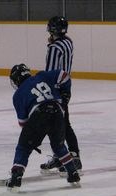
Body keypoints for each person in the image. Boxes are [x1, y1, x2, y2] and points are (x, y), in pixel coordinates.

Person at [6, 64, 80, 192]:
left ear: (16, 79)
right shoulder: (43, 75)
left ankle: (16, 177)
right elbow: (64, 75)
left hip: (38, 114)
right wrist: (65, 94)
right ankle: (73, 173)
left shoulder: (18, 94)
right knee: (59, 146)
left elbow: (23, 123)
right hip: (58, 112)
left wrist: (33, 135)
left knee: (23, 147)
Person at [40, 16, 82, 175]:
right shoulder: (68, 42)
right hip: (66, 86)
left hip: (56, 89)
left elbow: (50, 72)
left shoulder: (55, 47)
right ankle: (62, 155)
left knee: (61, 124)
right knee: (61, 123)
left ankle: (74, 156)